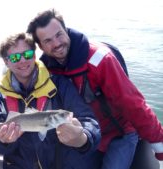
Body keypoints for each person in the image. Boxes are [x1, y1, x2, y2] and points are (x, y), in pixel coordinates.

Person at [26, 9, 163, 169]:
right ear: (41, 46)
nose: (56, 43)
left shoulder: (101, 60)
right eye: (48, 40)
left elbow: (133, 103)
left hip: (118, 134)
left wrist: (158, 144)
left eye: (59, 35)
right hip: (84, 134)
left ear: (67, 30)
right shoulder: (46, 70)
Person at [0, 32, 101, 169]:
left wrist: (82, 138)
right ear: (6, 62)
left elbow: (89, 120)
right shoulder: (0, 95)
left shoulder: (60, 85)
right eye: (15, 57)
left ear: (35, 55)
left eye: (28, 54)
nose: (23, 60)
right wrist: (2, 141)